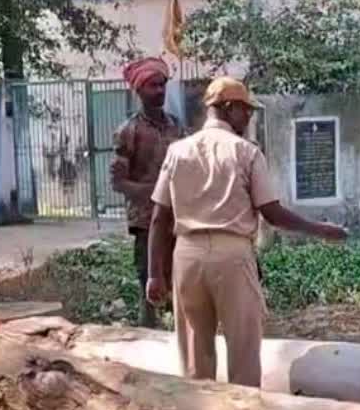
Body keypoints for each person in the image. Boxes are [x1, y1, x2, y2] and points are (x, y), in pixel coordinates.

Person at [146, 77, 347, 387]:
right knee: (243, 353)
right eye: (246, 110)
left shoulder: (178, 151)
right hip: (232, 256)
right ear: (228, 108)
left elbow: (159, 217)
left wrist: (154, 274)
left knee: (195, 357)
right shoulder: (246, 152)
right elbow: (272, 212)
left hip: (186, 257)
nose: (249, 117)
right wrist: (320, 229)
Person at [111, 57, 185, 328]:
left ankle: (185, 347)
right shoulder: (128, 131)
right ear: (139, 90)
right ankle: (147, 343)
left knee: (183, 287)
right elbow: (118, 182)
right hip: (145, 224)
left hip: (179, 221)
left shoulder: (178, 127)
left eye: (163, 85)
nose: (160, 91)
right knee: (150, 290)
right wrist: (157, 195)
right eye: (153, 85)